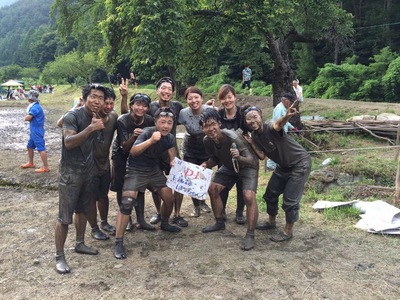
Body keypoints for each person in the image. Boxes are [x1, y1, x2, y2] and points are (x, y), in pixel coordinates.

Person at [114, 107, 181, 259]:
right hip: (135, 169)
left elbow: (172, 153)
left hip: (153, 169)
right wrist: (151, 140)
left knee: (169, 196)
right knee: (127, 203)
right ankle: (118, 241)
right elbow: (133, 151)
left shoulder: (170, 137)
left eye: (169, 123)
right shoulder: (147, 132)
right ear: (156, 122)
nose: (165, 126)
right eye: (162, 122)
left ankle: (164, 223)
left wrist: (172, 161)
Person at [54, 83, 106, 274]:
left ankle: (80, 243)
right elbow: (68, 143)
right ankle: (59, 256)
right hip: (70, 172)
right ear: (84, 98)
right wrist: (91, 129)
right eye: (93, 96)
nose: (97, 101)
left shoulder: (97, 116)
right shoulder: (72, 116)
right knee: (64, 217)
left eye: (100, 98)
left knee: (83, 210)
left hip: (88, 170)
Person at [242, 103, 311, 242]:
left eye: (254, 117)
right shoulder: (255, 136)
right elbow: (262, 156)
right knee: (270, 195)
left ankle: (287, 232)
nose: (252, 121)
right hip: (283, 166)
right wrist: (251, 143)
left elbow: (278, 125)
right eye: (248, 119)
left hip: (299, 163)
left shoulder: (270, 128)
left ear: (260, 115)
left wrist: (286, 116)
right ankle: (271, 222)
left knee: (289, 202)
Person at [57, 90, 118, 240]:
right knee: (88, 200)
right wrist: (77, 107)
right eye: (105, 102)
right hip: (86, 166)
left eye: (110, 103)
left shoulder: (113, 117)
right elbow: (62, 124)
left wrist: (124, 97)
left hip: (104, 164)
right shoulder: (87, 116)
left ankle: (103, 223)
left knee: (103, 196)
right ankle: (94, 228)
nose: (108, 106)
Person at [199, 109, 259, 251]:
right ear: (203, 128)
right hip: (229, 165)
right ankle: (219, 221)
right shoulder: (207, 140)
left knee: (248, 196)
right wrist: (206, 164)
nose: (210, 128)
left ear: (219, 124)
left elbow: (250, 160)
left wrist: (238, 157)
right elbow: (215, 158)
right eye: (206, 126)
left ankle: (250, 234)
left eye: (213, 124)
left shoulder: (232, 136)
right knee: (213, 188)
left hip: (248, 166)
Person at [147, 77, 202, 227]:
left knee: (178, 183)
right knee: (157, 185)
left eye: (169, 89)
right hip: (155, 152)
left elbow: (193, 112)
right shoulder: (150, 107)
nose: (166, 91)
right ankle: (159, 212)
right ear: (157, 90)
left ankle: (177, 214)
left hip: (172, 150)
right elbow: (134, 113)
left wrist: (207, 108)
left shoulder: (177, 106)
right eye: (163, 88)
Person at [110, 92, 155, 231]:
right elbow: (125, 146)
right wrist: (134, 136)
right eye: (137, 105)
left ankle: (141, 219)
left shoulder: (149, 120)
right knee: (121, 187)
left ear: (147, 108)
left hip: (138, 155)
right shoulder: (123, 120)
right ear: (131, 106)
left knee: (139, 186)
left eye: (144, 106)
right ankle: (127, 219)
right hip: (120, 155)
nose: (140, 108)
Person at [178, 86, 213, 218]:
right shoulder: (183, 113)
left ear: (202, 98)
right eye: (190, 98)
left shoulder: (210, 110)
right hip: (190, 147)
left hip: (205, 146)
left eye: (196, 97)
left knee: (203, 176)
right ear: (186, 100)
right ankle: (196, 206)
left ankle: (203, 202)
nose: (193, 100)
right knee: (192, 177)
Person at [217, 84, 246, 224]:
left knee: (241, 185)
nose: (227, 101)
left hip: (241, 155)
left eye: (229, 97)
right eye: (223, 98)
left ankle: (240, 212)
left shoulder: (242, 113)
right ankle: (221, 210)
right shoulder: (219, 114)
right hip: (224, 154)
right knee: (223, 185)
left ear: (235, 97)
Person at [20, 90, 50, 173]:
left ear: (30, 99)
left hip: (37, 130)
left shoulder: (35, 107)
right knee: (29, 147)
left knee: (41, 148)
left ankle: (46, 167)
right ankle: (31, 163)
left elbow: (28, 117)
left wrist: (25, 118)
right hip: (34, 130)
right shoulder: (35, 106)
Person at [266, 93, 296, 171]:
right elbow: (278, 122)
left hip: (282, 133)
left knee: (280, 150)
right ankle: (270, 166)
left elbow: (285, 120)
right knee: (277, 149)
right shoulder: (279, 109)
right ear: (285, 100)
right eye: (290, 101)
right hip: (278, 133)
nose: (290, 104)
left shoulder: (283, 108)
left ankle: (277, 165)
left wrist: (292, 128)